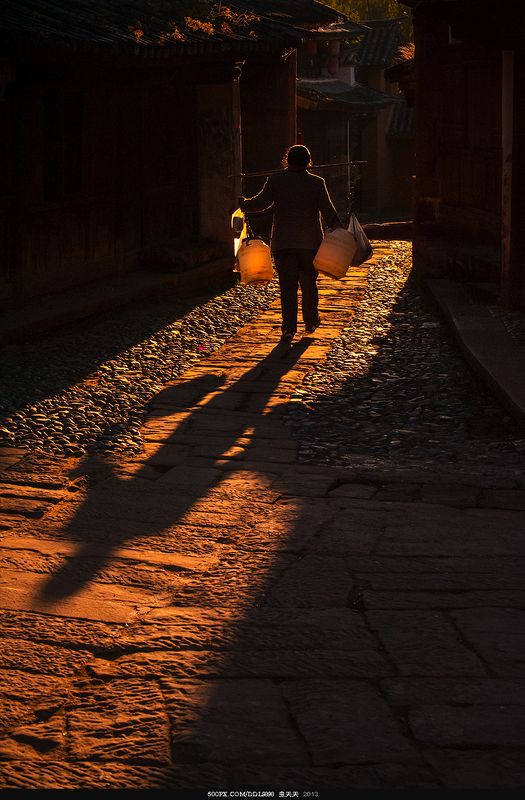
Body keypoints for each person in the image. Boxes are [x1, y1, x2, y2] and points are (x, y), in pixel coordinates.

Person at [239, 144, 343, 342]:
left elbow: (262, 203)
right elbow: (328, 211)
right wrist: (340, 233)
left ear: (287, 160)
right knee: (309, 284)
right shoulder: (316, 183)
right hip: (310, 243)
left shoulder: (276, 180)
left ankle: (288, 329)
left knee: (287, 287)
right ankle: (311, 321)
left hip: (284, 243)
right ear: (308, 162)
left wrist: (243, 203)